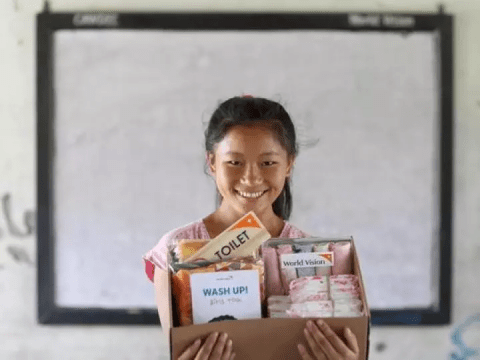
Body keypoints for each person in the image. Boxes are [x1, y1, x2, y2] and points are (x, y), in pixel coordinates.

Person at [143, 96, 360, 360]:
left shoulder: (318, 255)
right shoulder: (175, 250)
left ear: (289, 163)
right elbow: (175, 349)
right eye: (234, 162)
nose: (251, 178)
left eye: (268, 163)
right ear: (212, 162)